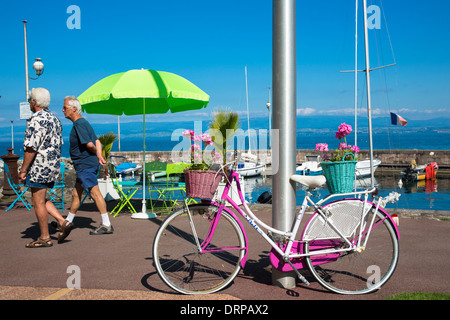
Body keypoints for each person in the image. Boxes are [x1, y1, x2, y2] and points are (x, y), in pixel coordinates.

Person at [19, 88, 74, 248]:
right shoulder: (55, 119)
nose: (30, 103)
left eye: (30, 100)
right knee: (42, 199)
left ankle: (44, 237)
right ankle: (63, 222)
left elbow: (31, 148)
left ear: (34, 102)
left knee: (37, 202)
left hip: (39, 167)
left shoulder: (36, 120)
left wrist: (23, 170)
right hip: (52, 166)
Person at [61, 96, 114, 235]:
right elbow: (96, 140)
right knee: (75, 193)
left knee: (94, 193)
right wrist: (100, 156)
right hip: (84, 165)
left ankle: (107, 224)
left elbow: (89, 144)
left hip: (85, 165)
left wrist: (97, 154)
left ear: (74, 109)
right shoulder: (84, 123)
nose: (63, 110)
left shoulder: (79, 124)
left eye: (65, 108)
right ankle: (67, 222)